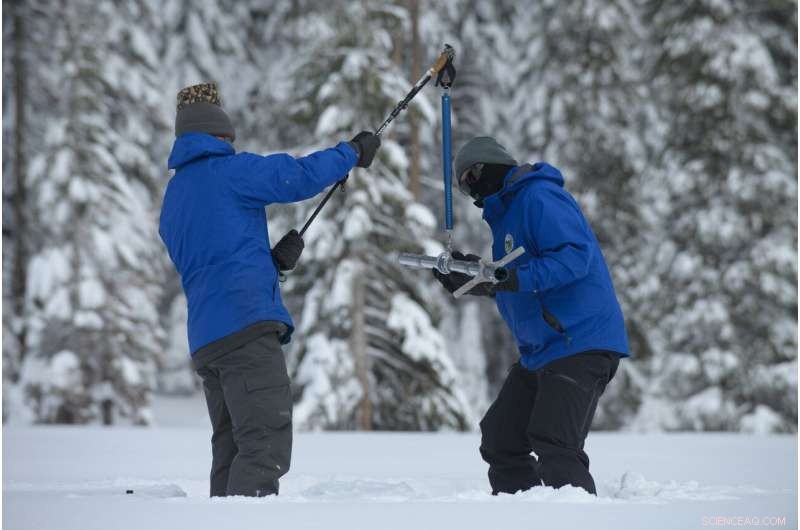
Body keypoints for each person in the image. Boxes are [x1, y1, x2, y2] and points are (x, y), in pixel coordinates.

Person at [158, 83, 380, 497]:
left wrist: (270, 263)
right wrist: (350, 152)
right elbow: (297, 177)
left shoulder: (174, 198)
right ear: (219, 134)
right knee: (264, 448)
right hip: (245, 331)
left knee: (231, 450)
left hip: (208, 341)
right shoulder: (231, 171)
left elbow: (209, 261)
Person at [432, 136, 629, 495]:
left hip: (579, 340)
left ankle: (574, 519)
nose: (471, 192)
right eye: (463, 188)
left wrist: (507, 277)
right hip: (543, 350)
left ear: (487, 168)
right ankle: (522, 512)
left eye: (470, 180)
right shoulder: (507, 217)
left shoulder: (538, 197)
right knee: (501, 437)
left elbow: (574, 258)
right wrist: (477, 279)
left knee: (554, 440)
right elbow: (517, 285)